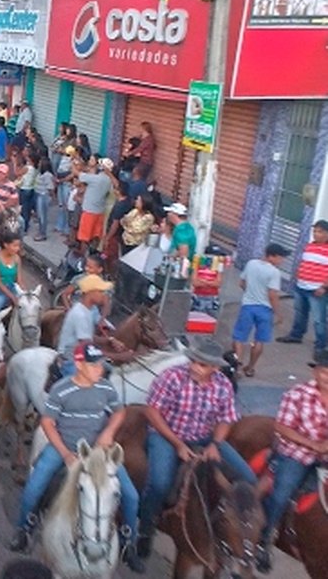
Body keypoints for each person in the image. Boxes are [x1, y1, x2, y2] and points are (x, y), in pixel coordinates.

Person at [8, 343, 143, 572]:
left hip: (99, 452)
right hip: (66, 446)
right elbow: (47, 423)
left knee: (131, 495)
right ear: (79, 365)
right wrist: (64, 453)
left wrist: (108, 432)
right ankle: (25, 528)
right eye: (94, 365)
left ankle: (128, 542)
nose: (100, 369)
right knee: (34, 487)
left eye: (101, 364)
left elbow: (119, 412)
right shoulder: (61, 389)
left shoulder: (106, 387)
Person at [136, 337, 257, 560]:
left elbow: (226, 419)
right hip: (167, 434)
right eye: (193, 361)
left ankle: (240, 531)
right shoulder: (172, 377)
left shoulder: (223, 385)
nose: (194, 367)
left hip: (203, 435)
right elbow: (151, 412)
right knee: (160, 483)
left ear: (215, 368)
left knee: (248, 479)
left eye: (201, 364)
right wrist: (178, 444)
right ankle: (146, 527)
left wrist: (215, 444)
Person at [256, 356, 328, 572]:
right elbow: (282, 427)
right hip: (298, 453)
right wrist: (312, 444)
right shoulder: (297, 394)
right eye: (324, 371)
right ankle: (263, 540)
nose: (327, 377)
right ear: (315, 372)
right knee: (281, 493)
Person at [232, 243, 288, 377]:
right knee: (259, 340)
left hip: (248, 306)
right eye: (280, 257)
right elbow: (272, 295)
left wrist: (250, 293)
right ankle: (250, 368)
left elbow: (241, 283)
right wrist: (278, 313)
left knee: (239, 338)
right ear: (272, 256)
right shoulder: (274, 272)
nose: (282, 261)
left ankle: (237, 366)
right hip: (265, 310)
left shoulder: (251, 264)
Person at [277, 219, 328, 358]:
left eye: (320, 232)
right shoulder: (309, 246)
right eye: (315, 231)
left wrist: (324, 287)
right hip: (301, 286)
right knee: (300, 313)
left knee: (319, 320)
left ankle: (321, 346)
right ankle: (296, 335)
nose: (316, 234)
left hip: (317, 290)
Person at [56, 274, 124, 376]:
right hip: (70, 360)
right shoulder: (80, 314)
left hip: (79, 356)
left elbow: (90, 337)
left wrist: (109, 340)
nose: (103, 295)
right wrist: (119, 356)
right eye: (100, 291)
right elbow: (88, 348)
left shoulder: (87, 311)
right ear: (91, 293)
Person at [75, 158, 115, 246]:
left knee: (84, 237)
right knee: (96, 235)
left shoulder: (95, 178)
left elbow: (77, 173)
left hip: (89, 211)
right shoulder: (109, 180)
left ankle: (83, 253)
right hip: (100, 211)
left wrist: (73, 163)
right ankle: (93, 251)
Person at [0, 230, 24, 311]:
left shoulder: (17, 258)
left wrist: (24, 294)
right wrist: (12, 297)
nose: (17, 249)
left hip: (13, 288)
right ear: (6, 245)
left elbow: (19, 280)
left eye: (18, 246)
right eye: (15, 246)